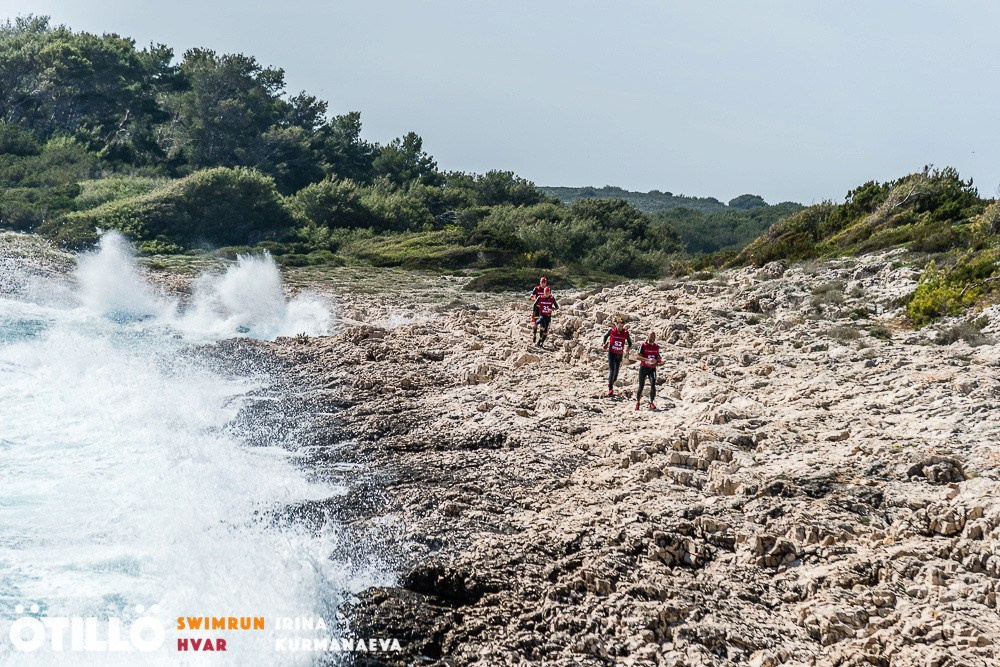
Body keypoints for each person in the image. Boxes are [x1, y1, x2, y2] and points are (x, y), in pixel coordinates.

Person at [602, 317, 632, 396]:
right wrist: (604, 344)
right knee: (612, 370)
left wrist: (628, 347)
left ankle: (611, 383)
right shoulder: (612, 330)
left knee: (616, 373)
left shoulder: (625, 333)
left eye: (622, 326)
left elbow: (630, 342)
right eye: (619, 326)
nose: (621, 327)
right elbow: (605, 336)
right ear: (616, 325)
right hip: (611, 353)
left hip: (619, 354)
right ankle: (610, 389)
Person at [635, 331, 662, 411]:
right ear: (647, 336)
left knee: (653, 384)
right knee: (641, 386)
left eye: (653, 337)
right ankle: (638, 402)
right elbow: (638, 357)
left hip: (652, 369)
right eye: (651, 337)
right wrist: (648, 359)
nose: (652, 338)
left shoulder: (656, 346)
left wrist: (659, 360)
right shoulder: (643, 345)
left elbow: (657, 356)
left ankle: (651, 402)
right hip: (643, 368)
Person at [529, 276, 548, 342]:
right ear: (540, 282)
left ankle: (540, 339)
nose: (543, 284)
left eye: (544, 282)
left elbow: (549, 298)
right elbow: (531, 297)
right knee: (535, 323)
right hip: (537, 308)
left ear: (546, 283)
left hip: (543, 309)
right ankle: (534, 335)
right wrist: (535, 300)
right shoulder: (536, 288)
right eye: (542, 282)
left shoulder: (547, 289)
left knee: (542, 325)